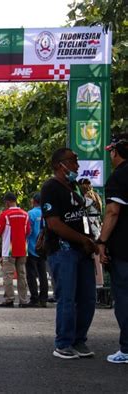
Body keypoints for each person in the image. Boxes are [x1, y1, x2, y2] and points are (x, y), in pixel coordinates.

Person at [40, 148, 98, 360]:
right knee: (67, 298)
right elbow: (54, 224)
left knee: (88, 298)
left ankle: (79, 340)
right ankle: (63, 343)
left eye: (76, 161)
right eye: (72, 161)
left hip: (82, 251)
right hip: (62, 251)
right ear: (59, 165)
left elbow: (83, 216)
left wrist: (90, 238)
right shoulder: (50, 187)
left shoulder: (74, 187)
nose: (77, 165)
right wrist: (81, 239)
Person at [97, 134, 128, 364]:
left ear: (115, 152)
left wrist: (102, 242)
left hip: (124, 250)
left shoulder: (118, 178)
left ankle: (126, 349)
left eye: (111, 151)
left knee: (124, 297)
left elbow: (113, 212)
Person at [0, 192, 30, 308]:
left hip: (9, 250)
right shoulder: (25, 214)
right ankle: (23, 300)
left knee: (8, 275)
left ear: (7, 202)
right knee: (22, 275)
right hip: (23, 249)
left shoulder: (5, 214)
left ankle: (9, 299)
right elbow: (28, 231)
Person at [26, 192, 48, 307]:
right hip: (44, 249)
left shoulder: (30, 214)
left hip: (32, 248)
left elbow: (27, 231)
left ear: (34, 201)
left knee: (31, 275)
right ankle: (43, 298)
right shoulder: (47, 213)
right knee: (43, 274)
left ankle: (34, 298)